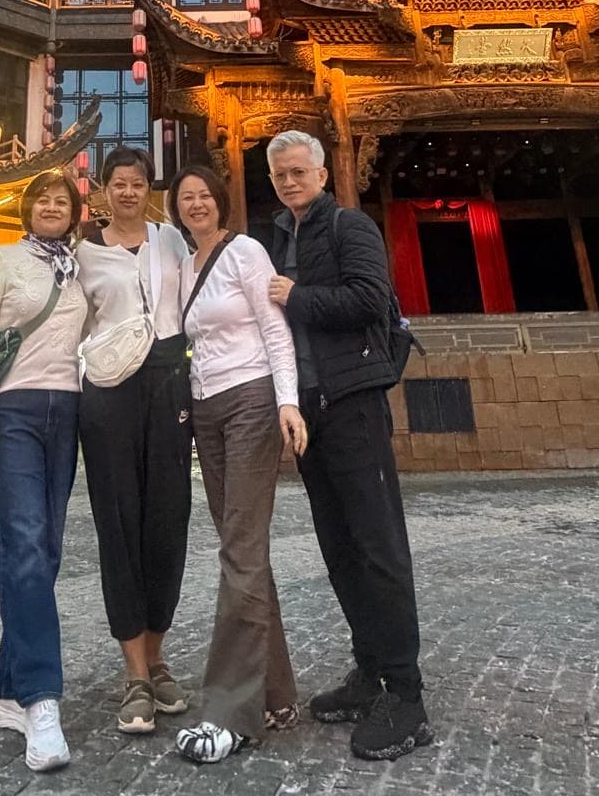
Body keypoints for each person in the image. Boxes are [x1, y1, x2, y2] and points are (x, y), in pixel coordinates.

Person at [266, 130, 430, 762]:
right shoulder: (278, 235)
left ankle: (408, 695)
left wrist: (295, 296)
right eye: (279, 174)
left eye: (298, 171)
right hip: (309, 412)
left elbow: (370, 299)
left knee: (378, 546)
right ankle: (369, 672)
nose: (288, 181)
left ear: (323, 173)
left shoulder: (351, 228)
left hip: (355, 403)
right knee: (338, 547)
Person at [168, 163, 307, 765]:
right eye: (185, 198)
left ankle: (230, 711)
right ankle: (276, 693)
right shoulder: (183, 267)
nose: (195, 205)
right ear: (176, 209)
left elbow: (275, 328)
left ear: (220, 203)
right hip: (206, 409)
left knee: (240, 550)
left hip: (252, 399)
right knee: (239, 546)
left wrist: (287, 400)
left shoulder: (244, 250)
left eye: (204, 196)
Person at [0, 170, 87, 774]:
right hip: (12, 411)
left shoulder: (81, 264)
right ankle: (41, 700)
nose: (51, 206)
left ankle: (7, 691)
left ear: (74, 212)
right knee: (28, 546)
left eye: (61, 201)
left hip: (67, 411)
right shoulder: (4, 259)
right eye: (42, 198)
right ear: (27, 207)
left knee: (46, 550)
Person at [77, 145, 192, 735]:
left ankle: (160, 653)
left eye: (138, 182)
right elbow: (68, 328)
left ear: (151, 187)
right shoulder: (83, 252)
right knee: (119, 523)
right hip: (109, 393)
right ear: (100, 189)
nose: (128, 191)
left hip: (168, 383)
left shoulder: (172, 241)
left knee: (168, 521)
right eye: (118, 182)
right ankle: (134, 673)